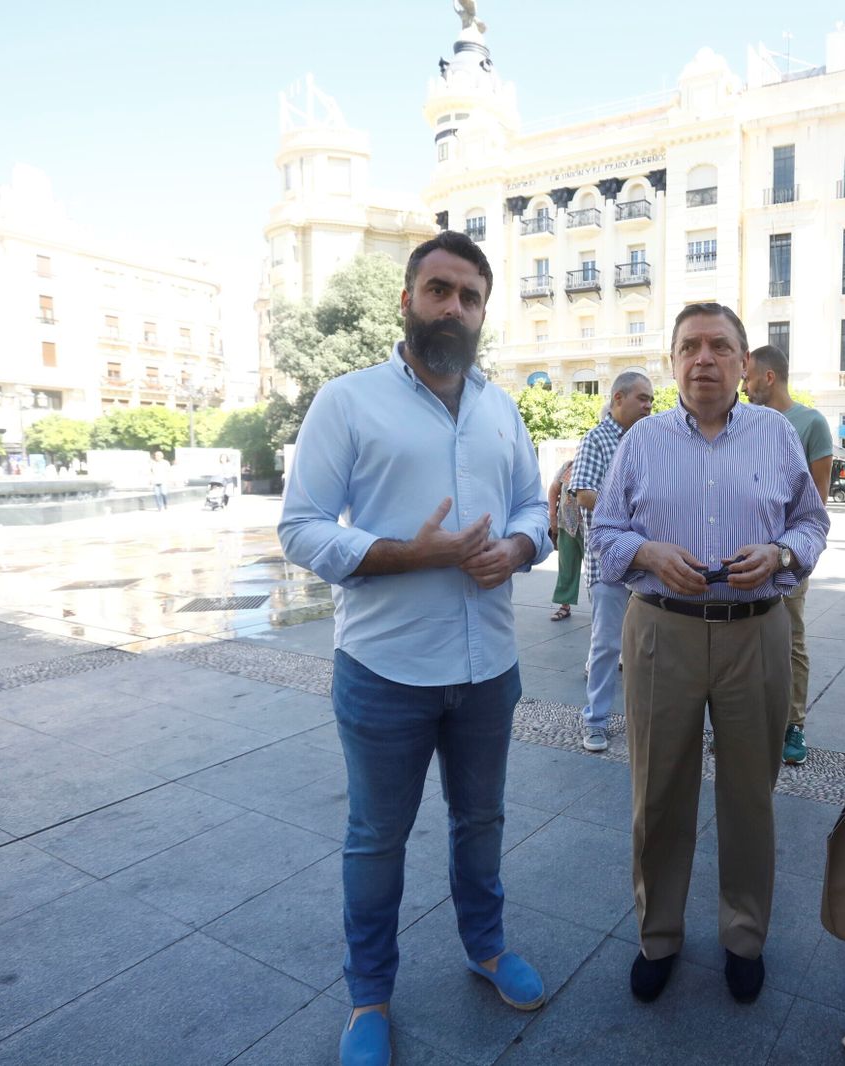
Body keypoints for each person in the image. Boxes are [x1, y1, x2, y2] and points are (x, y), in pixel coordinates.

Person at [278, 231, 552, 1066]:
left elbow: (535, 510)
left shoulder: (502, 408)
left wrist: (517, 548)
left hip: (487, 669)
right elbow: (300, 527)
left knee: (482, 821)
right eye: (438, 290)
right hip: (385, 671)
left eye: (469, 296)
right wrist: (408, 553)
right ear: (407, 299)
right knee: (376, 838)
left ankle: (486, 944)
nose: (454, 308)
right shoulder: (349, 401)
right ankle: (369, 996)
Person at [591, 302, 829, 1005]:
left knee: (749, 795)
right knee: (658, 791)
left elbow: (812, 522)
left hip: (757, 628)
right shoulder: (642, 441)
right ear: (672, 363)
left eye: (720, 347)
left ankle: (743, 935)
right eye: (689, 346)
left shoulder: (778, 434)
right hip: (661, 628)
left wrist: (783, 551)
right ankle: (658, 935)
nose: (704, 359)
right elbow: (603, 533)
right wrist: (646, 552)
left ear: (744, 364)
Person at [742, 344, 832, 766]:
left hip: (787, 559)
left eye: (748, 377)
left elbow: (817, 500)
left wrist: (786, 552)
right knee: (745, 638)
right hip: (741, 558)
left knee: (791, 637)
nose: (744, 385)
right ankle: (746, 720)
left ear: (769, 377)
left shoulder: (810, 422)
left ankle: (793, 723)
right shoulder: (740, 422)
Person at [567, 370, 654, 752]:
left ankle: (646, 720)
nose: (650, 406)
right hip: (608, 565)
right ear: (618, 398)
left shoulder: (648, 440)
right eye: (643, 399)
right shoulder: (598, 439)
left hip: (647, 565)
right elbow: (583, 493)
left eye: (652, 400)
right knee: (606, 647)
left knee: (649, 649)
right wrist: (626, 508)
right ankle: (596, 721)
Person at [547, 457, 581, 621]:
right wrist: (552, 516)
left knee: (597, 571)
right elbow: (554, 490)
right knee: (566, 565)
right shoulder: (568, 466)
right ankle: (564, 605)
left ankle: (601, 608)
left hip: (590, 527)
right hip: (566, 524)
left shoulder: (602, 465)